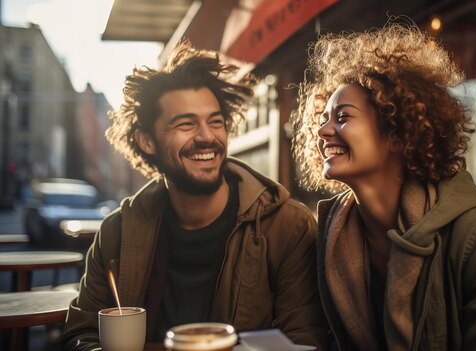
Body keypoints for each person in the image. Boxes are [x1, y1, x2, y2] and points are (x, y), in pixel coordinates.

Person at [292, 23, 476, 350]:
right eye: (323, 118)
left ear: (398, 134)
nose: (323, 131)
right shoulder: (327, 237)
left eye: (342, 117)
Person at [63, 41, 328, 350]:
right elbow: (81, 334)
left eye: (215, 122)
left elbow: (305, 340)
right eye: (186, 124)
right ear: (146, 141)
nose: (207, 137)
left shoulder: (287, 227)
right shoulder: (116, 233)